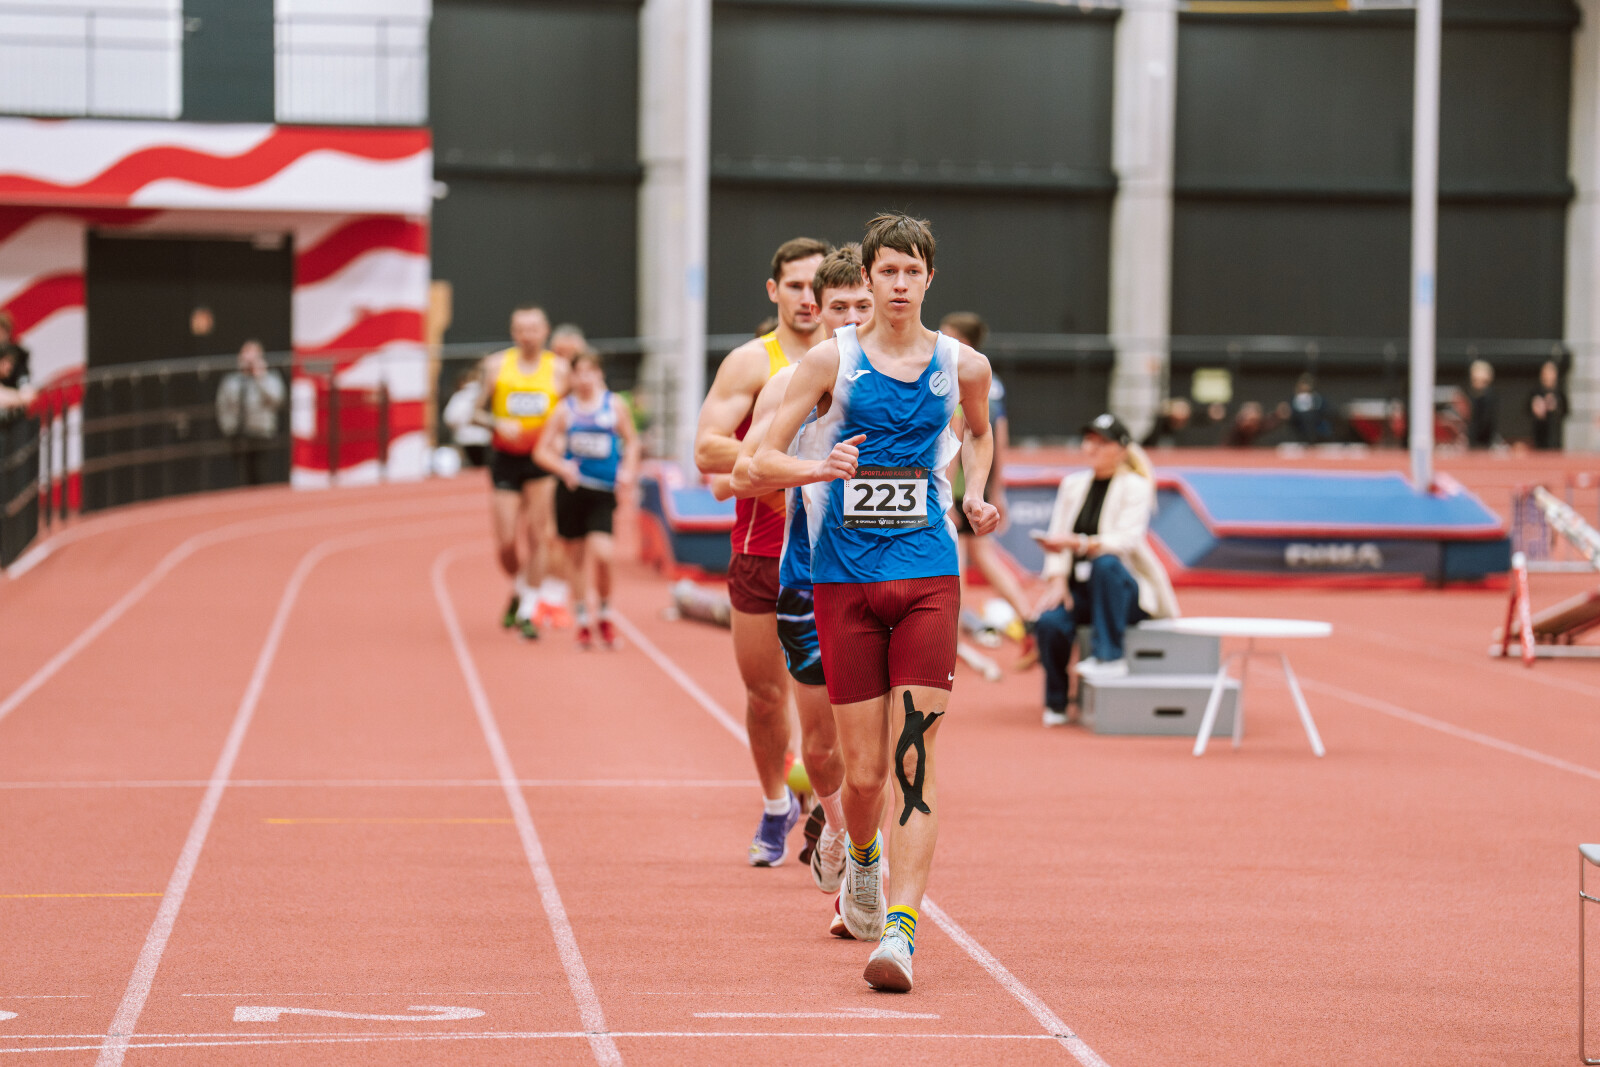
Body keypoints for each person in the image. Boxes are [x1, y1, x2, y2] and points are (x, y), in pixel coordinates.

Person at [751, 213, 999, 993]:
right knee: (862, 777)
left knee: (912, 762)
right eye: (886, 271)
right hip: (844, 581)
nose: (898, 285)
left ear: (930, 279)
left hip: (927, 575)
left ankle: (901, 930)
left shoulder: (963, 365)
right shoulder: (832, 360)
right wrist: (817, 469)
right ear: (869, 275)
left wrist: (975, 493)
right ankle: (862, 858)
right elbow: (759, 460)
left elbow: (980, 435)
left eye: (911, 272)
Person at [720, 245, 871, 907]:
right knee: (817, 740)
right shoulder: (783, 381)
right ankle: (826, 823)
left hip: (889, 572)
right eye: (838, 307)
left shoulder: (922, 375)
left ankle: (866, 870)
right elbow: (740, 471)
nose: (850, 318)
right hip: (806, 572)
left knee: (883, 743)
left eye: (861, 305)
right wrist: (813, 474)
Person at [695, 236, 830, 866]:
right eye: (795, 286)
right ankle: (777, 804)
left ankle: (832, 809)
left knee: (839, 696)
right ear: (775, 291)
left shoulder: (853, 360)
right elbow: (707, 450)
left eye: (817, 286)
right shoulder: (752, 363)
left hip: (834, 552)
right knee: (765, 695)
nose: (808, 298)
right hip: (761, 551)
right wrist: (784, 461)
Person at [1032, 414, 1179, 725]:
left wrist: (1079, 543)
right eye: (1089, 440)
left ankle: (1109, 656)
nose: (1093, 447)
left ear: (1122, 449)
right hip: (1082, 590)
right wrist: (1057, 581)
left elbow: (1125, 542)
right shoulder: (1072, 485)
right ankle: (1057, 703)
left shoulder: (1136, 486)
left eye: (1103, 442)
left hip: (1123, 592)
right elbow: (1057, 538)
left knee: (1105, 562)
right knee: (1049, 622)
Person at [470, 304, 569, 639]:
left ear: (545, 331)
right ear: (514, 333)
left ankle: (527, 607)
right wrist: (497, 422)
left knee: (540, 535)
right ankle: (519, 586)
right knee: (507, 542)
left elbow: (571, 414)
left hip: (541, 460)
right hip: (505, 458)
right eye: (522, 329)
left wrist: (559, 441)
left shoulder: (559, 369)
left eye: (534, 329)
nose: (528, 336)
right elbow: (474, 412)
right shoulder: (496, 365)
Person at [535, 350, 640, 649]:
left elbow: (632, 442)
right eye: (578, 373)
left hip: (602, 492)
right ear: (572, 376)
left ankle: (604, 614)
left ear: (599, 374)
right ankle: (582, 620)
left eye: (589, 372)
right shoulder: (564, 410)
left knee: (603, 554)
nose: (584, 378)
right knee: (575, 558)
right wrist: (562, 467)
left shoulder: (614, 405)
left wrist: (628, 471)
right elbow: (540, 451)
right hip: (572, 491)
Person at [938, 312, 1034, 635]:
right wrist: (997, 488)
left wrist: (947, 492)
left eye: (946, 333)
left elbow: (959, 437)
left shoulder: (958, 377)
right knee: (983, 555)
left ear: (962, 340)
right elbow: (999, 437)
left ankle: (952, 636)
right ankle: (1029, 617)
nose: (940, 338)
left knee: (956, 560)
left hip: (960, 485)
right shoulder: (992, 380)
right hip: (980, 479)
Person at [214, 340, 285, 486]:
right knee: (239, 477)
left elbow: (277, 399)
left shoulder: (270, 378)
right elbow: (222, 405)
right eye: (246, 354)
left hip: (261, 433)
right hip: (237, 433)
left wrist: (260, 377)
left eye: (254, 356)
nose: (249, 360)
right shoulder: (231, 380)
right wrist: (228, 427)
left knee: (260, 475)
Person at [442, 369, 491, 466]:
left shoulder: (460, 396)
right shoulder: (484, 393)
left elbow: (449, 418)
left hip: (466, 439)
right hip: (484, 439)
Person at [1528, 359, 1567, 451]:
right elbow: (1527, 410)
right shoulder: (1536, 391)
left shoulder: (1559, 392)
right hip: (1539, 437)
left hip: (1555, 438)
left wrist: (1556, 406)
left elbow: (1566, 411)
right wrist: (1536, 407)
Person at [0, 311, 34, 416]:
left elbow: (27, 393)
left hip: (14, 415)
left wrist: (20, 396)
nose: (8, 366)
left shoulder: (18, 354)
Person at [1287, 374, 1333, 444]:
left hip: (1317, 422)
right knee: (1306, 417)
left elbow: (1325, 409)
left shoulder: (1317, 398)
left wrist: (1313, 409)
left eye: (1307, 384)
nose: (1305, 387)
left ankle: (1314, 438)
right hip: (1300, 424)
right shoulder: (1294, 399)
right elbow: (1291, 412)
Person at [1466, 359, 1499, 449]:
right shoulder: (1472, 396)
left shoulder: (1489, 396)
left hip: (1484, 442)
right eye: (1474, 379)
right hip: (1473, 442)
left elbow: (1486, 422)